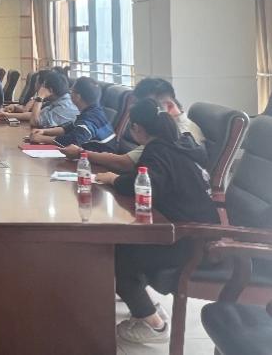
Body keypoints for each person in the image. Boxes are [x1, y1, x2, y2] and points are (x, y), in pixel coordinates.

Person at [95, 98, 218, 345]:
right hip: (201, 232)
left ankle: (154, 325)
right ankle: (146, 306)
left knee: (119, 254)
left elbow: (145, 183)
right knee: (125, 245)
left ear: (138, 128)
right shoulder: (179, 145)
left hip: (191, 240)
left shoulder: (157, 151)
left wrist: (113, 180)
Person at [60, 77, 205, 172]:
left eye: (148, 107)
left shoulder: (181, 135)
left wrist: (81, 153)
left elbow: (125, 163)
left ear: (168, 106)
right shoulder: (168, 126)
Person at [29, 76, 114, 147]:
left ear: (78, 96)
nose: (70, 94)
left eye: (72, 91)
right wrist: (44, 131)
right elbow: (69, 128)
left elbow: (73, 140)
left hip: (99, 158)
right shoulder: (94, 111)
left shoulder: (89, 119)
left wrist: (42, 139)